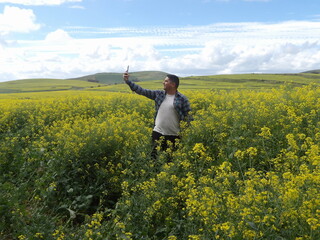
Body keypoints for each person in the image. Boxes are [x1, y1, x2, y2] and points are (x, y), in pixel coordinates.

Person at [123, 70, 192, 159]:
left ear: (173, 84)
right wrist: (128, 81)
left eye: (166, 81)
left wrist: (185, 134)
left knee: (169, 160)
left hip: (174, 135)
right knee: (153, 158)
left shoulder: (182, 99)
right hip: (157, 133)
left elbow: (189, 118)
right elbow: (142, 91)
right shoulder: (159, 94)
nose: (163, 82)